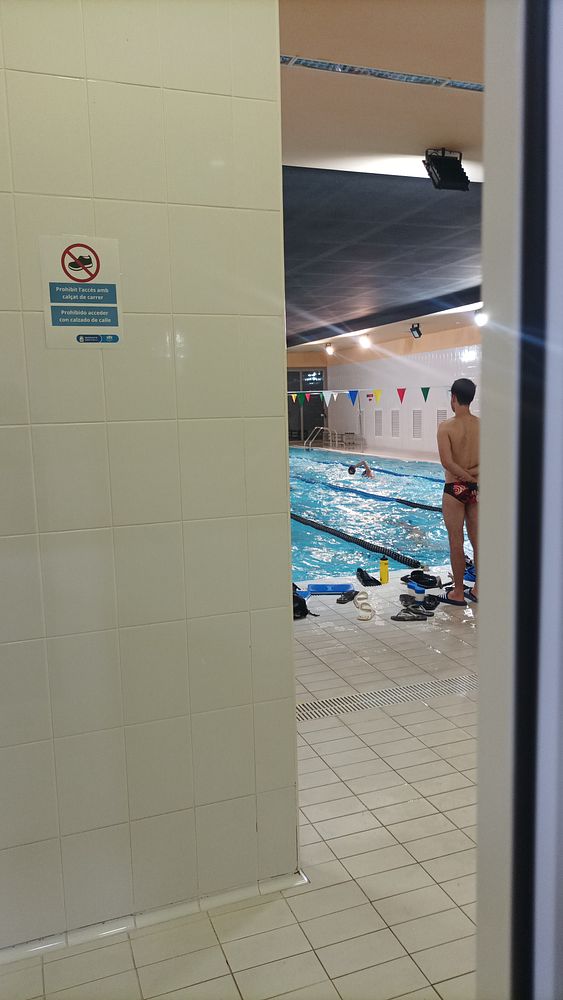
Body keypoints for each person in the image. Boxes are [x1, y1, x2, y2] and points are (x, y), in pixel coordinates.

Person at [437, 378, 479, 606]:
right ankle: (479, 589)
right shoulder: (482, 426)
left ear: (453, 397)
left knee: (456, 541)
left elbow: (447, 462)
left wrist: (464, 477)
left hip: (455, 488)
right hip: (477, 489)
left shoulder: (446, 427)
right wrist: (473, 478)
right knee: (478, 541)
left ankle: (459, 592)